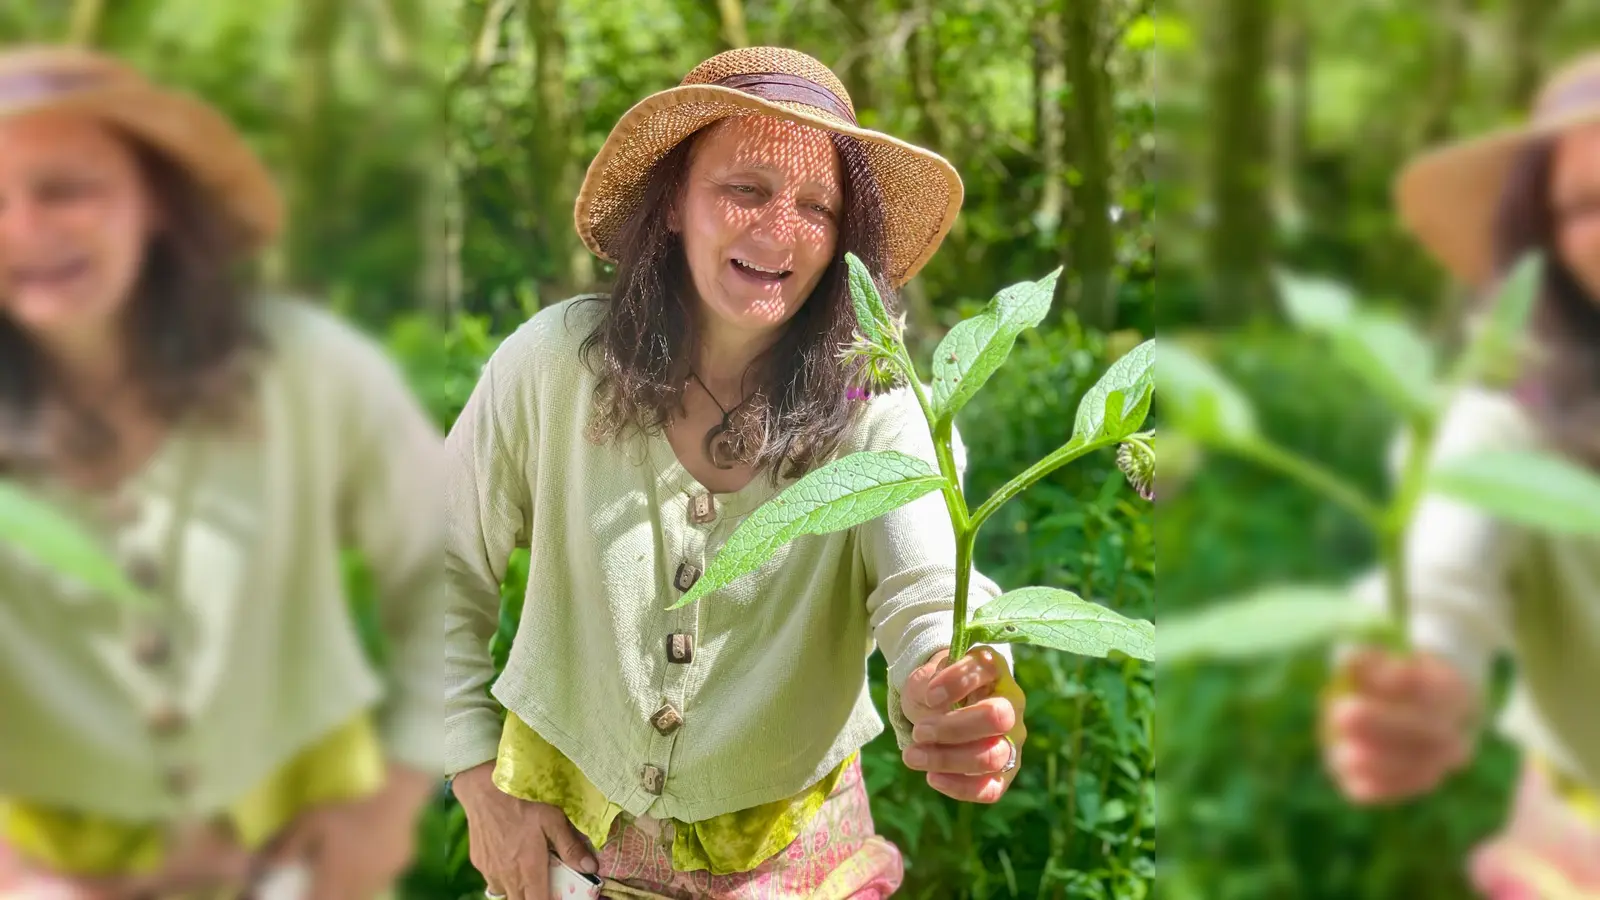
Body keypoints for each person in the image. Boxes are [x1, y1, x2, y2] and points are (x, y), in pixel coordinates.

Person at [444, 47, 1029, 899]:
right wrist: (470, 770)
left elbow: (930, 585)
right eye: (744, 188)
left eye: (817, 206)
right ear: (675, 201)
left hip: (796, 873)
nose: (779, 229)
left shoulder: (879, 406)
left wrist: (959, 682)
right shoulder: (555, 366)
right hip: (560, 869)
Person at [0, 46, 444, 899]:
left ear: (156, 199)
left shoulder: (306, 369)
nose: (25, 230)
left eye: (67, 188)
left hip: (307, 860)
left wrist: (389, 808)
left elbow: (443, 568)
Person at [1320, 51, 1600, 897]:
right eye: (1588, 204)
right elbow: (1441, 564)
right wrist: (1409, 675)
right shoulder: (1514, 424)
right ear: (1547, 242)